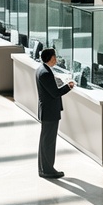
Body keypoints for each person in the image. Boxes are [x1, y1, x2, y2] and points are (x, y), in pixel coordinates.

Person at [35, 47, 74, 178]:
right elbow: (55, 93)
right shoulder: (45, 73)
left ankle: (44, 168)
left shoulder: (42, 70)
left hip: (47, 111)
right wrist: (68, 86)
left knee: (46, 140)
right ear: (50, 58)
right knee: (49, 142)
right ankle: (47, 170)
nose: (56, 59)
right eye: (55, 57)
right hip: (50, 111)